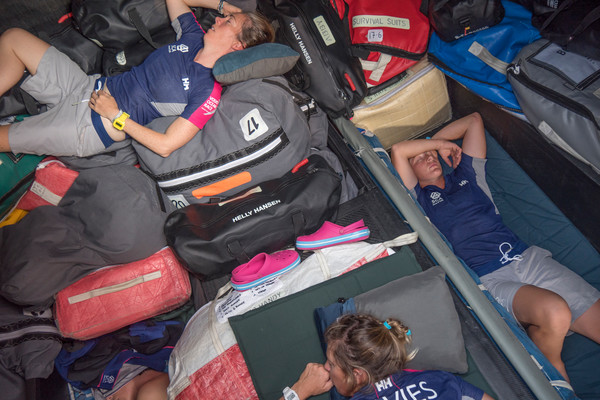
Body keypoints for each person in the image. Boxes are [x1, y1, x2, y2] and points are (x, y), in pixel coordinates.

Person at [389, 112, 600, 382]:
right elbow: (398, 150)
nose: (428, 157)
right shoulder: (420, 198)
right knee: (556, 312)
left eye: (430, 154)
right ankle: (557, 379)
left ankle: (539, 335)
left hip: (527, 258)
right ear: (410, 172)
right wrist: (435, 145)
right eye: (419, 158)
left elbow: (475, 120)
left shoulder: (469, 175)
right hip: (490, 276)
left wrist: (435, 142)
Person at [0, 0, 274, 158]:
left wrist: (117, 116)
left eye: (228, 22)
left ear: (237, 46)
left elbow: (165, 146)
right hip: (85, 86)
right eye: (223, 17)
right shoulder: (192, 37)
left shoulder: (207, 91)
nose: (218, 20)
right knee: (14, 38)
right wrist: (225, 5)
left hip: (91, 126)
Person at [282, 313, 493, 400]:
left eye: (332, 364)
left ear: (357, 374)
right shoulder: (438, 378)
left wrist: (299, 391)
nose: (325, 368)